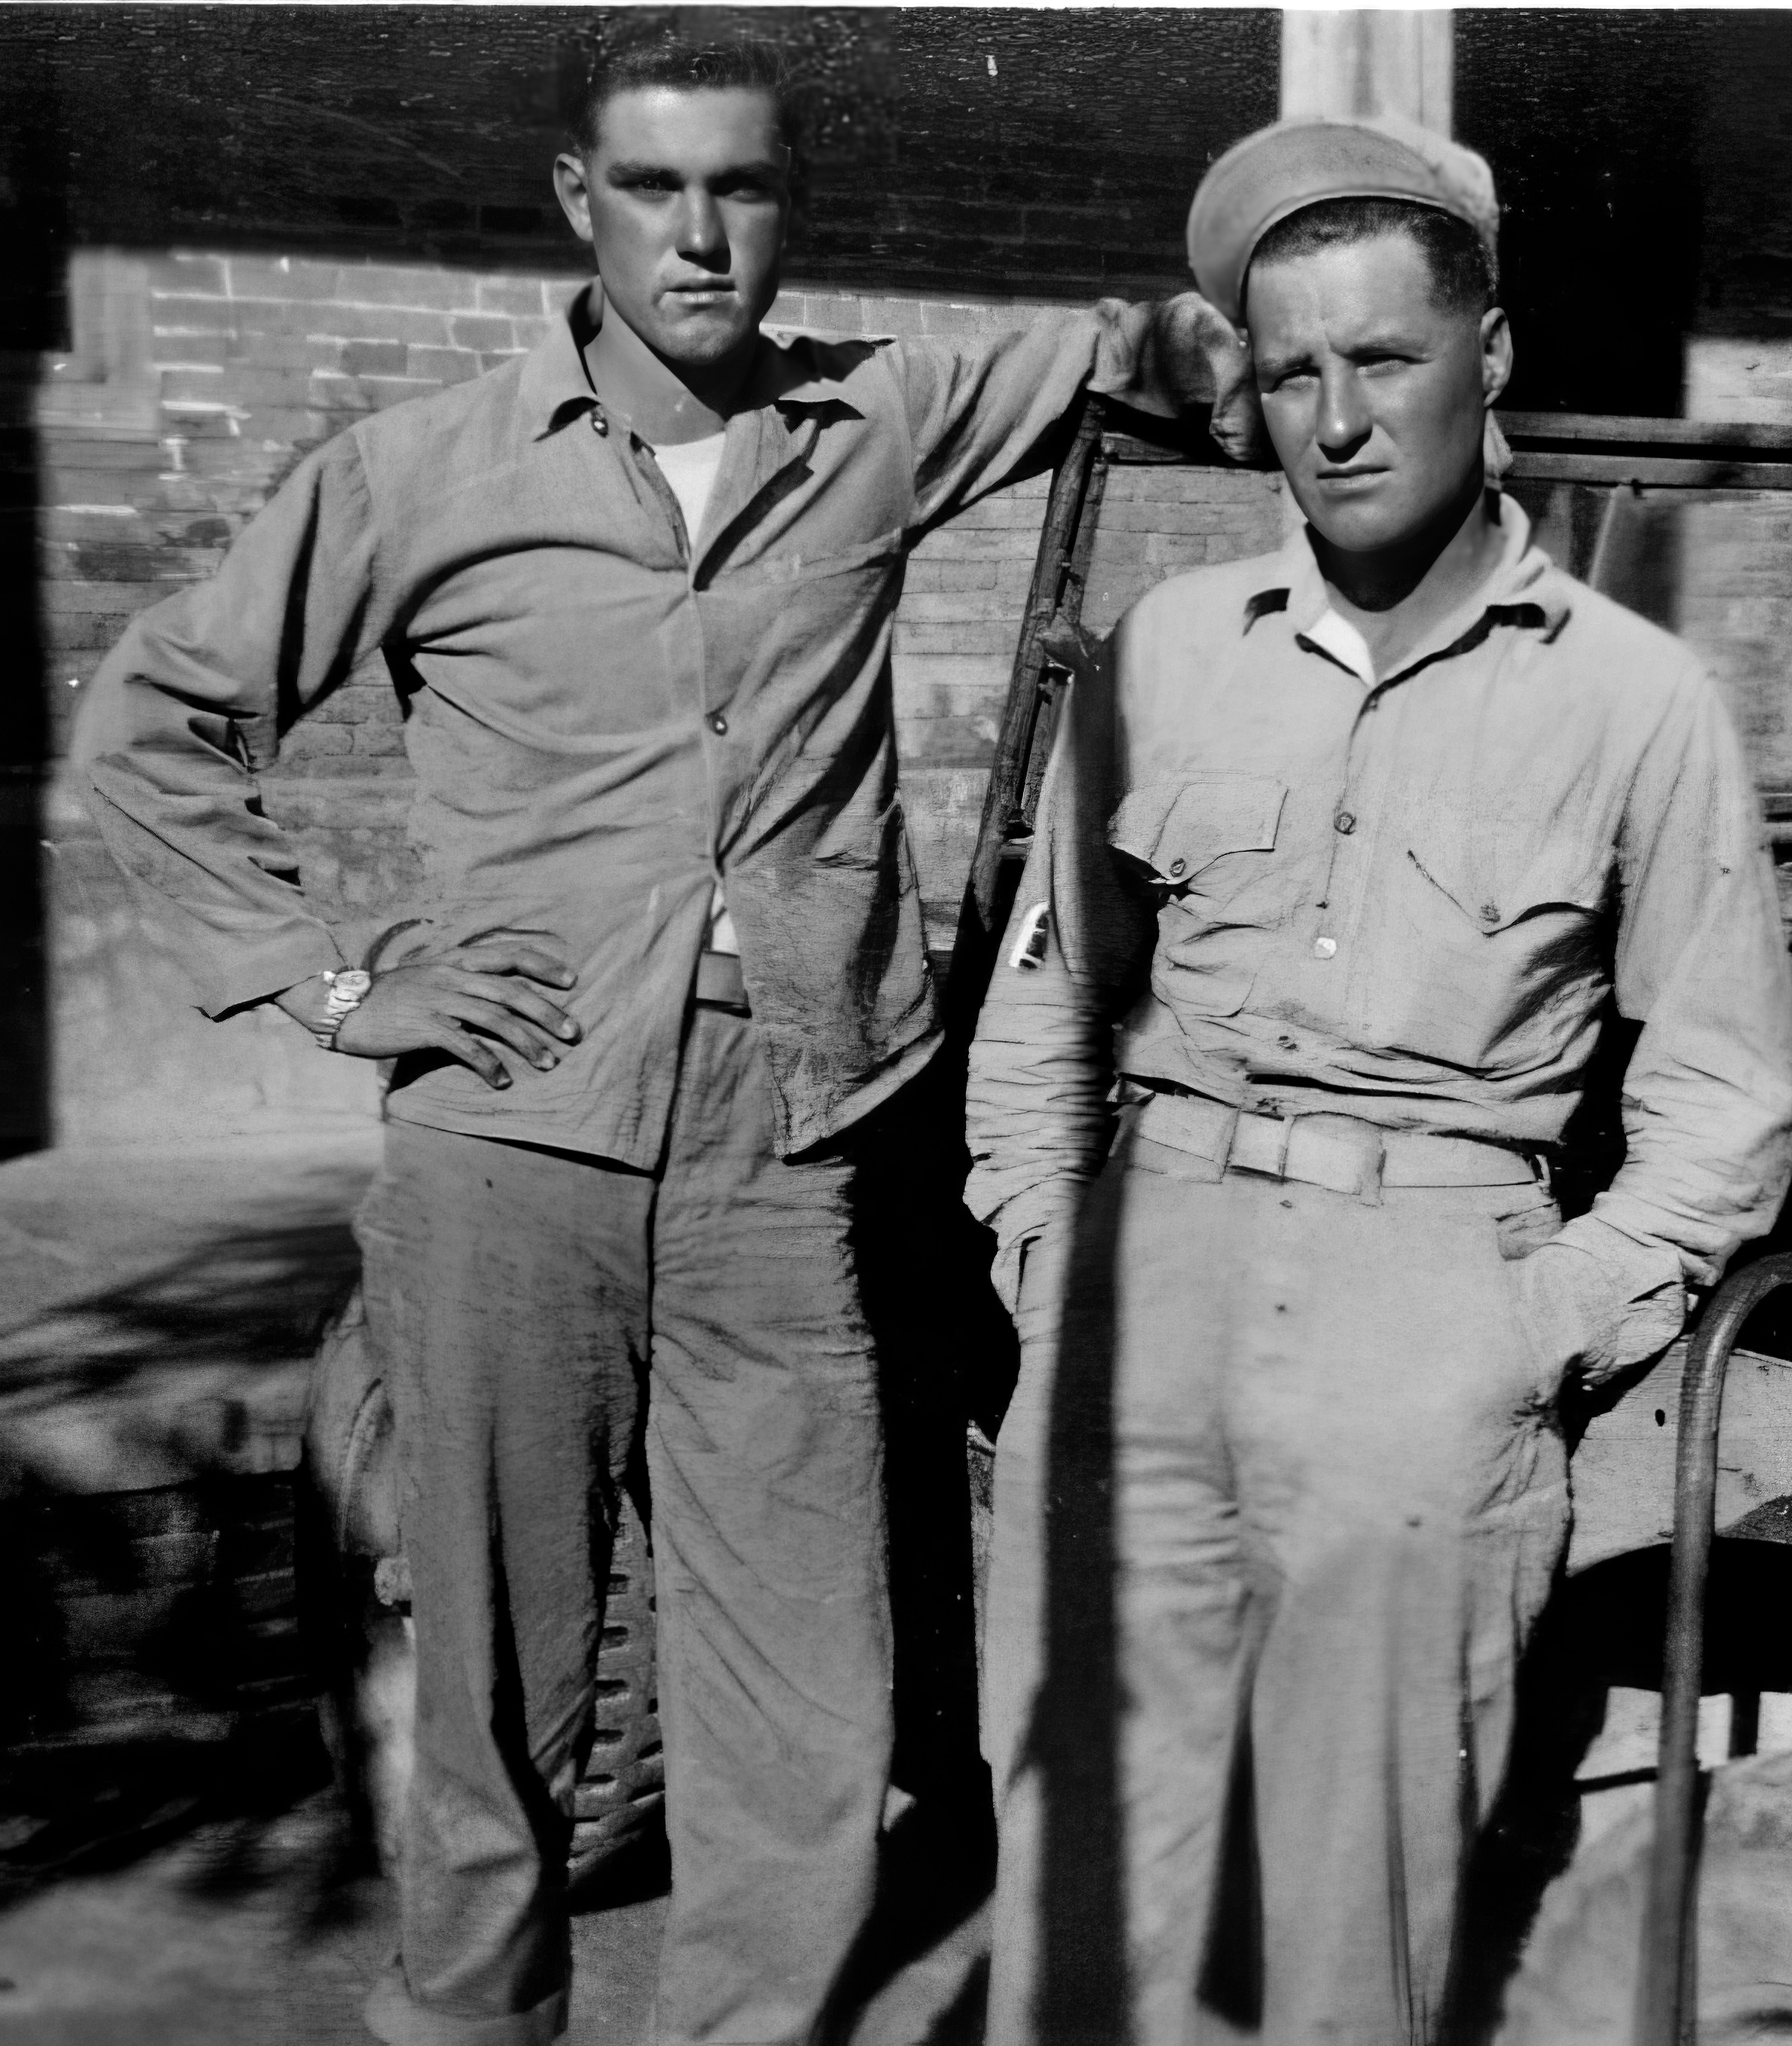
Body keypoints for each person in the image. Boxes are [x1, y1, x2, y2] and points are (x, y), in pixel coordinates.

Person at [72, 29, 1254, 2046]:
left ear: (789, 202)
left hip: (785, 1147)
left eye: (743, 188)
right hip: (510, 1141)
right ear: (576, 202)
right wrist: (345, 983)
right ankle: (472, 2019)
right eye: (654, 189)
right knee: (504, 1678)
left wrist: (1290, 313)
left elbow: (1128, 349)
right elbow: (157, 727)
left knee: (806, 1685)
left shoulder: (874, 418)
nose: (702, 235)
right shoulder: (422, 474)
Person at [964, 113, 1792, 2044]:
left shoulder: (1633, 702)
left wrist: (1522, 1330)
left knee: (1352, 1929)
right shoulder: (1162, 651)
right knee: (1082, 1905)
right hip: (1137, 1301)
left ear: (1486, 358)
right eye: (1288, 371)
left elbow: (1719, 1102)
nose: (1333, 418)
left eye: (1382, 358)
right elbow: (1043, 1005)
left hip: (1422, 1329)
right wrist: (1045, 1264)